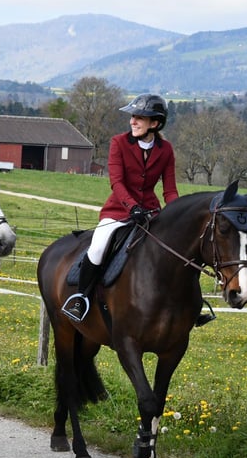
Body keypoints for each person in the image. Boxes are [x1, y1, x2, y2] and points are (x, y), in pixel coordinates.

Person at [61, 93, 179, 322]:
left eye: (138, 118)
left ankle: (185, 303)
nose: (132, 121)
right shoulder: (119, 143)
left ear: (154, 123)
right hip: (120, 211)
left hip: (151, 213)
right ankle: (81, 298)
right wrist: (133, 207)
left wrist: (176, 215)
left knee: (175, 250)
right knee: (96, 248)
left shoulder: (166, 150)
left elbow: (170, 190)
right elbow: (116, 182)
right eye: (132, 117)